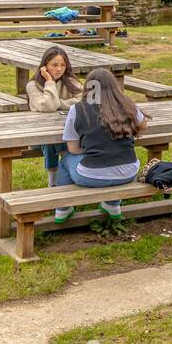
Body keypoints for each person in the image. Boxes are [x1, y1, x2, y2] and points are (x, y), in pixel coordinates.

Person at [54, 68, 149, 230]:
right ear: (114, 86)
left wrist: (93, 148)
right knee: (111, 161)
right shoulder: (128, 104)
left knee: (65, 158)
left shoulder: (77, 110)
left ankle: (63, 208)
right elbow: (143, 126)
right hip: (128, 172)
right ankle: (112, 205)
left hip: (91, 176)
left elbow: (73, 148)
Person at [25, 46, 82, 185]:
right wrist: (49, 82)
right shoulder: (33, 85)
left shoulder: (71, 82)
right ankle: (54, 179)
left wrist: (58, 103)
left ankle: (64, 176)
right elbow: (48, 106)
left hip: (67, 130)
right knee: (51, 140)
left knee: (62, 136)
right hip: (40, 134)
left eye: (63, 65)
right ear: (45, 66)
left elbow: (83, 100)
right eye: (54, 65)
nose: (59, 69)